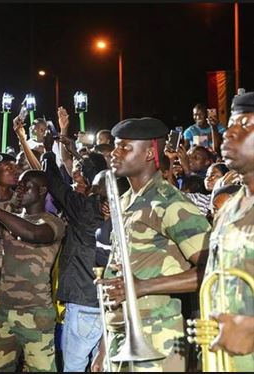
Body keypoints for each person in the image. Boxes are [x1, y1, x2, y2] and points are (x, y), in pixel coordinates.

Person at [98, 117, 212, 371]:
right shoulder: (125, 201)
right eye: (116, 146)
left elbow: (213, 270)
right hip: (121, 333)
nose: (115, 153)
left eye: (125, 147)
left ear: (150, 153)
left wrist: (144, 286)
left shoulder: (170, 203)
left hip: (158, 338)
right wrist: (104, 349)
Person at [0, 170, 66, 371]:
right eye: (20, 185)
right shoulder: (8, 222)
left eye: (27, 185)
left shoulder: (52, 222)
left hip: (36, 313)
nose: (21, 189)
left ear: (43, 190)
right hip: (4, 310)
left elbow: (33, 233)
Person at [41, 130, 108, 372]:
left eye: (82, 174)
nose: (77, 176)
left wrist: (48, 151)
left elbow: (56, 184)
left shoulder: (85, 209)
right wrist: (74, 151)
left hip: (83, 304)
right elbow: (96, 173)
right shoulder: (120, 205)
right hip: (109, 304)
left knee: (74, 368)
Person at [203, 91, 254, 371]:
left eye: (245, 124)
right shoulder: (229, 206)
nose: (229, 132)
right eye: (231, 123)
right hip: (225, 359)